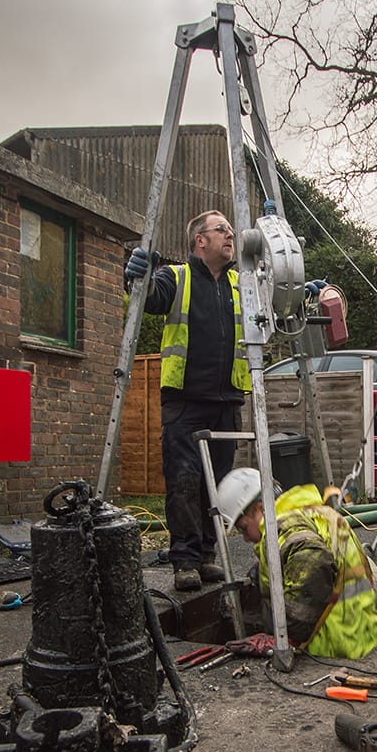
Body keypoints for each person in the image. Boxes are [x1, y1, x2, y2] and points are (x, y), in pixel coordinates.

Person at [124, 210, 249, 592]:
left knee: (217, 485)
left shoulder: (239, 284)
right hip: (186, 401)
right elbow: (149, 298)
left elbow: (275, 307)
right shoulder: (175, 277)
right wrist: (136, 276)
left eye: (230, 230)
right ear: (200, 240)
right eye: (222, 230)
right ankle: (184, 560)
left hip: (227, 400)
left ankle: (208, 556)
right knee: (183, 481)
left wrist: (301, 292)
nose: (230, 235)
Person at [216, 467, 377, 661]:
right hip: (362, 645)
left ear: (260, 509)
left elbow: (313, 559)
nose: (246, 538)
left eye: (243, 528)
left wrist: (286, 638)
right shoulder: (316, 513)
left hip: (330, 653)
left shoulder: (281, 525)